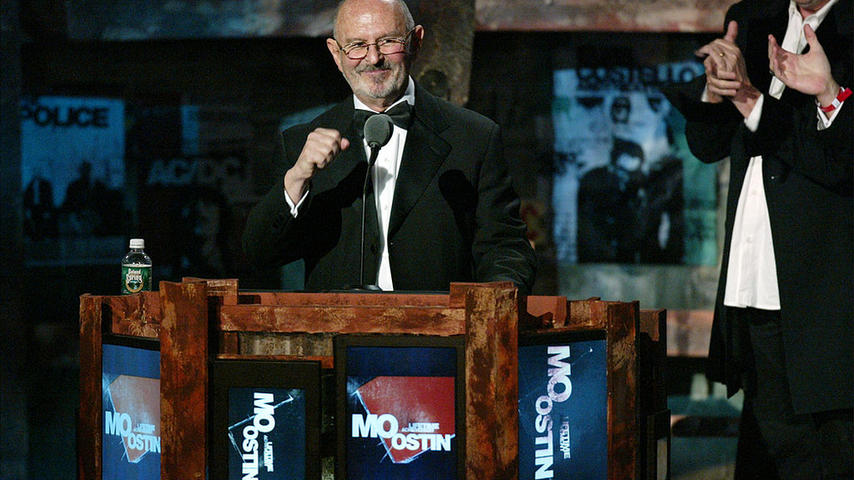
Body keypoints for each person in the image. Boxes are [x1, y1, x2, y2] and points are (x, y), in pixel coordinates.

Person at [666, 0, 852, 478]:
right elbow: (708, 146)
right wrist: (717, 91)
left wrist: (828, 94)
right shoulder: (754, 18)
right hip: (752, 287)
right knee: (766, 453)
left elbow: (841, 163)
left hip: (827, 301)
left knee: (827, 455)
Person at [242, 0, 536, 293]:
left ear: (416, 42)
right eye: (357, 45)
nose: (373, 58)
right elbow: (260, 254)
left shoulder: (475, 137)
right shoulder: (300, 143)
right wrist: (296, 179)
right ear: (335, 54)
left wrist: (496, 306)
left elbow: (505, 249)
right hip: (335, 323)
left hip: (439, 322)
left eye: (387, 41)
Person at [576, 138, 649, 263]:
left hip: (627, 257)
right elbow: (589, 225)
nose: (626, 178)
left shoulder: (641, 185)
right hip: (596, 256)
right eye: (622, 172)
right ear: (612, 166)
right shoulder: (593, 181)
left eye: (632, 174)